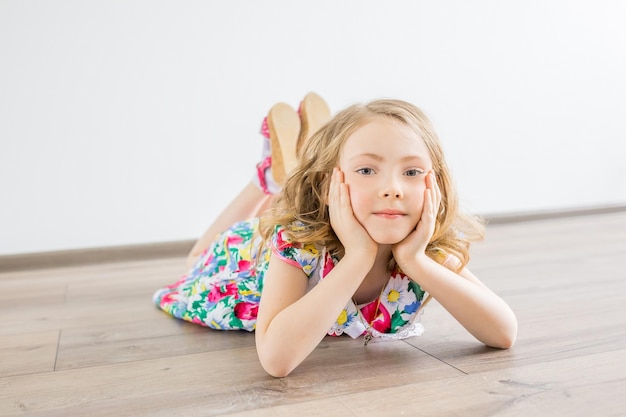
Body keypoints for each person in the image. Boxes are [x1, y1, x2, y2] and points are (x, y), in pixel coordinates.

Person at [153, 93, 518, 378]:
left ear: (434, 184)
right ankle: (264, 182)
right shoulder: (299, 245)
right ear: (331, 185)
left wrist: (415, 261)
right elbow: (276, 360)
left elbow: (503, 332)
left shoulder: (427, 248)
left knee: (282, 209)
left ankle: (282, 178)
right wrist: (358, 258)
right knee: (195, 261)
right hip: (247, 259)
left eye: (411, 172)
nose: (392, 188)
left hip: (313, 215)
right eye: (366, 169)